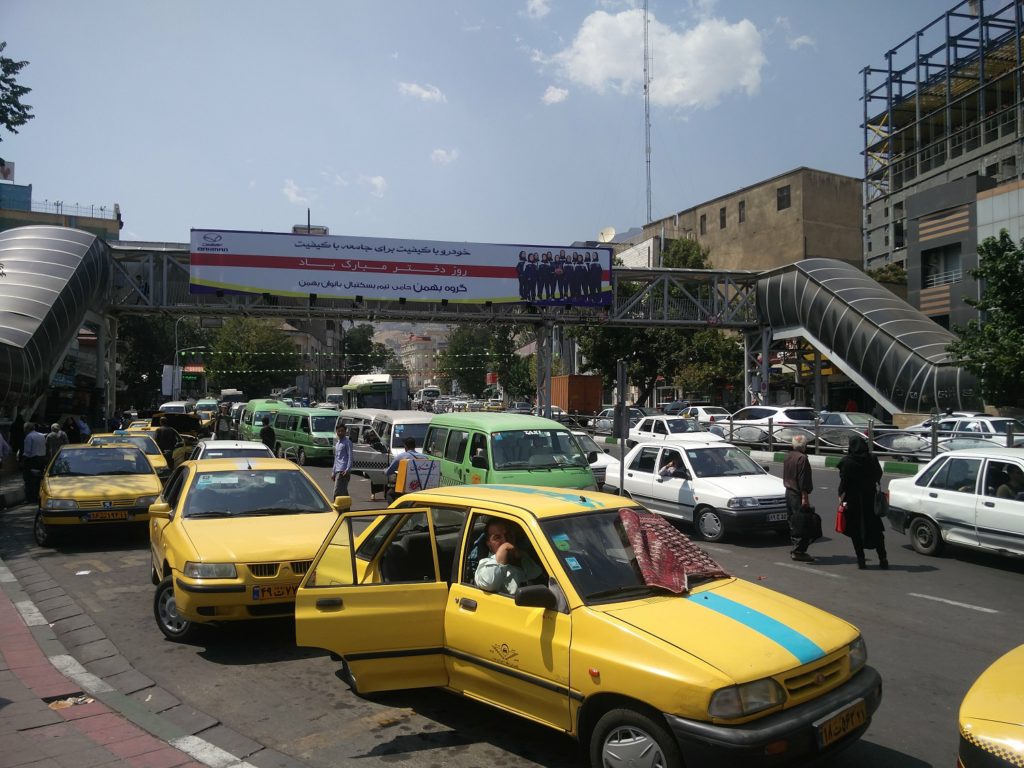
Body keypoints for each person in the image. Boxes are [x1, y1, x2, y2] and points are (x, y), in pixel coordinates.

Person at [837, 435, 887, 570]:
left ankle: (861, 560)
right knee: (876, 531)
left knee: (855, 531)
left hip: (853, 502)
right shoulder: (872, 458)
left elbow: (844, 483)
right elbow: (878, 475)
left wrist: (840, 496)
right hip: (870, 500)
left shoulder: (847, 462)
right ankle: (883, 559)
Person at [474, 518, 544, 595]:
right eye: (497, 537)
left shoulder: (524, 557)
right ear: (489, 544)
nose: (505, 540)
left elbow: (539, 578)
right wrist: (501, 555)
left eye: (508, 535)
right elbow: (488, 584)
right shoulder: (485, 566)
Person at [783, 434, 815, 562]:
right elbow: (803, 480)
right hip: (797, 494)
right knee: (801, 523)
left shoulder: (788, 456)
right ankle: (799, 551)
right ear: (805, 446)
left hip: (788, 492)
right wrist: (805, 497)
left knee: (793, 521)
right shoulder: (802, 458)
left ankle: (796, 549)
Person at [20, 422, 47, 504]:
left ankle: (31, 498)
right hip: (42, 460)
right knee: (39, 479)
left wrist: (22, 462)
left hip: (33, 460)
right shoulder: (41, 435)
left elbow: (27, 452)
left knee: (30, 480)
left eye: (24, 429)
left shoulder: (29, 436)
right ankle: (38, 496)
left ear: (27, 429)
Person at [331, 423, 353, 499]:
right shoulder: (337, 444)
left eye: (342, 431)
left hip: (343, 471)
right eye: (339, 431)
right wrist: (333, 472)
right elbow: (336, 459)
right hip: (338, 471)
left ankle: (336, 509)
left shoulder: (347, 442)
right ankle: (345, 509)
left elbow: (350, 456)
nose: (340, 433)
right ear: (336, 432)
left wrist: (347, 469)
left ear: (345, 431)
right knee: (343, 492)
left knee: (337, 492)